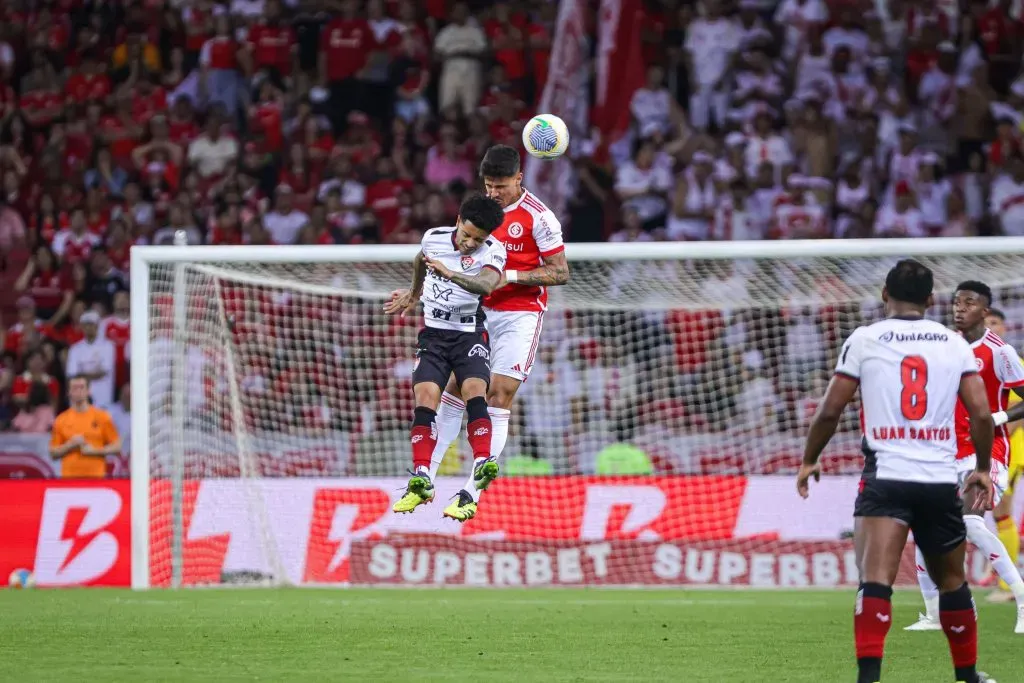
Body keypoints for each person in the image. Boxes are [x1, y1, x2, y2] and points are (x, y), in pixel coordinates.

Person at [797, 260, 996, 683]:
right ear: (930, 300)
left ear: (884, 293)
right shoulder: (953, 343)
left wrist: (810, 458)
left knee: (875, 580)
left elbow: (831, 410)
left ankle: (869, 677)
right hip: (939, 480)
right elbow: (981, 415)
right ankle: (967, 675)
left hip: (886, 477)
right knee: (953, 582)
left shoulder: (865, 339)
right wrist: (981, 468)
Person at [423, 145, 570, 522]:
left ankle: (471, 492)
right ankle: (424, 477)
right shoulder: (482, 213)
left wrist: (514, 277)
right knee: (455, 389)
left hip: (520, 314)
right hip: (479, 310)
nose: (494, 193)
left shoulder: (540, 218)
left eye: (501, 186)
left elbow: (560, 272)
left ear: (519, 179)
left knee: (498, 394)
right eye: (488, 185)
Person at [904, 282, 1024, 634]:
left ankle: (1021, 596)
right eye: (957, 302)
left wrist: (997, 418)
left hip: (988, 453)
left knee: (970, 523)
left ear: (985, 311)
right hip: (945, 452)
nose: (960, 307)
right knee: (924, 529)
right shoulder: (945, 346)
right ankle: (933, 614)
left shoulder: (999, 352)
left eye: (969, 302)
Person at [384, 194, 506, 515]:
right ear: (458, 221)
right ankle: (422, 477)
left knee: (474, 392)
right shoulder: (433, 238)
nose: (469, 243)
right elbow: (418, 261)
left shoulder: (493, 252)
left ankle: (482, 463)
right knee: (425, 396)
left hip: (468, 335)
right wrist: (413, 293)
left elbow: (487, 285)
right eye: (466, 234)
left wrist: (450, 274)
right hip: (434, 335)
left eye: (477, 239)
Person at [982, 308, 1024, 604]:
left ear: (1005, 327)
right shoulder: (984, 362)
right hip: (1005, 444)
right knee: (1001, 514)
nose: (990, 327)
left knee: (1002, 512)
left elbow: (1018, 413)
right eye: (986, 323)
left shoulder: (1012, 360)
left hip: (1014, 445)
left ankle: (1009, 587)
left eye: (995, 322)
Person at [49, 375, 121, 479]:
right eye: (74, 388)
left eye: (82, 387)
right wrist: (70, 445)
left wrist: (94, 451)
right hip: (69, 479)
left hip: (96, 478)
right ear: (69, 392)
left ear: (88, 391)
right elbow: (53, 453)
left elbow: (117, 447)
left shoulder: (102, 417)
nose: (78, 391)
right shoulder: (61, 420)